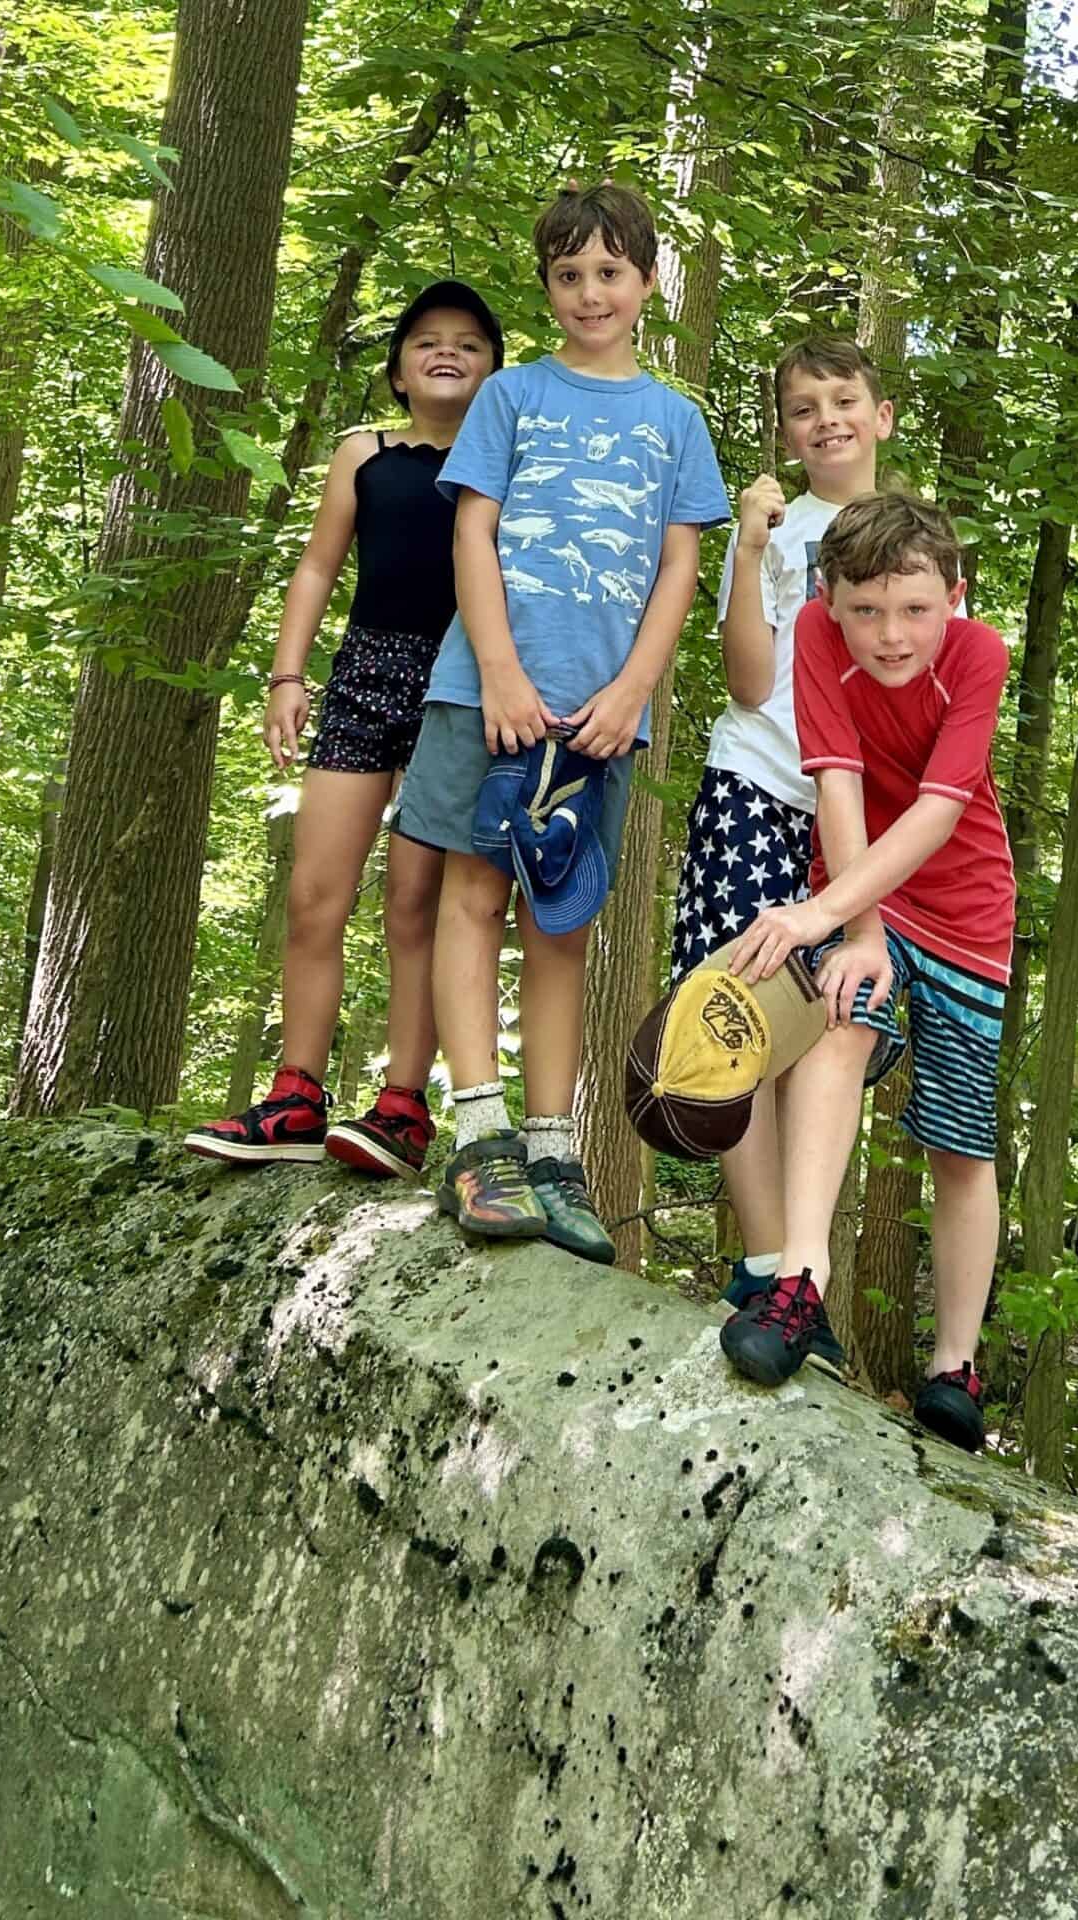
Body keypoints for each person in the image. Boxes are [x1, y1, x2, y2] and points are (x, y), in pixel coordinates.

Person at [395, 183, 727, 1257]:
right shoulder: (512, 399)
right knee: (473, 893)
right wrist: (495, 669)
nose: (590, 293)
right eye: (568, 275)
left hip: (597, 713)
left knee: (561, 917)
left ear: (645, 284)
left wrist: (635, 688)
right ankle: (480, 1138)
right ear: (547, 287)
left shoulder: (677, 421)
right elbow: (473, 534)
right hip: (484, 695)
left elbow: (680, 563)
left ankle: (552, 1149)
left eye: (609, 273)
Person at [187, 280, 502, 1175]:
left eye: (470, 343)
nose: (448, 351)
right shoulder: (362, 453)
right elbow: (319, 566)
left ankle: (404, 1105)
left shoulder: (505, 459)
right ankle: (297, 1092)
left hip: (462, 682)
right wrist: (288, 676)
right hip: (366, 671)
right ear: (399, 369)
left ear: (493, 372)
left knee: (416, 902)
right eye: (428, 340)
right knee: (315, 893)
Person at [723, 494, 1014, 1453]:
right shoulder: (812, 632)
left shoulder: (980, 657)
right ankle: (800, 1285)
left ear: (955, 600)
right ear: (830, 599)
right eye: (867, 611)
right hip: (858, 888)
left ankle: (956, 1366)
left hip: (969, 909)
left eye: (916, 611)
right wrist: (857, 931)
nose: (891, 636)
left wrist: (821, 912)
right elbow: (837, 783)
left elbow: (936, 812)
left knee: (962, 1142)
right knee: (839, 1026)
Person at [673, 337, 895, 1313]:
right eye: (803, 408)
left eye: (844, 399)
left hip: (858, 817)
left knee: (828, 1034)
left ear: (881, 416)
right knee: (734, 1019)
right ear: (786, 432)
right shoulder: (768, 528)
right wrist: (754, 549)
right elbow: (750, 682)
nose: (826, 419)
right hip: (755, 790)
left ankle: (801, 1262)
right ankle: (764, 1268)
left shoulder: (915, 538)